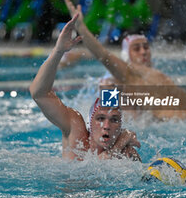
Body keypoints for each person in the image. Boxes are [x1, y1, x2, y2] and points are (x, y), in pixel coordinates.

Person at [61, 0, 186, 121]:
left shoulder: (159, 77)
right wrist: (82, 29)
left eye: (146, 47)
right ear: (126, 57)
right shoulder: (128, 75)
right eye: (136, 49)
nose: (144, 52)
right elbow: (103, 55)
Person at [29, 14, 141, 161]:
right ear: (90, 122)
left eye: (114, 120)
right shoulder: (77, 133)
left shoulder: (125, 153)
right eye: (100, 118)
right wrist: (58, 51)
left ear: (120, 127)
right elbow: (39, 93)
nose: (106, 126)